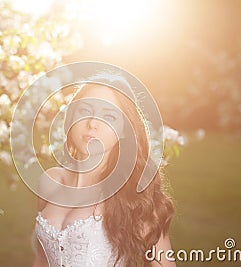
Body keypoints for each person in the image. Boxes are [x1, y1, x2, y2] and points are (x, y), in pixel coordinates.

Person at [32, 72, 176, 267]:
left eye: (108, 116)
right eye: (85, 110)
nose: (93, 123)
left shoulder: (133, 195)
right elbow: (41, 259)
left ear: (124, 129)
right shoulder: (50, 182)